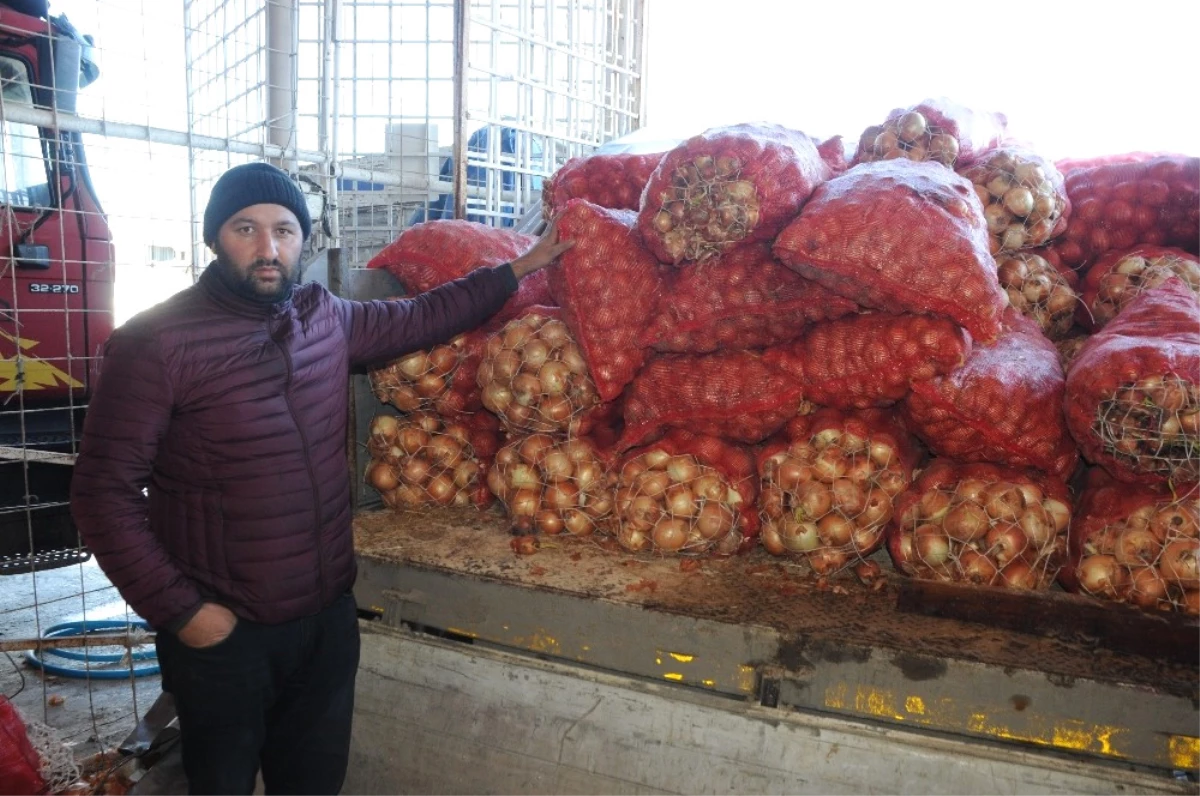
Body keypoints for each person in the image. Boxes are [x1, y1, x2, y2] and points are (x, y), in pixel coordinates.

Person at [69, 161, 573, 795]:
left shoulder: (325, 317)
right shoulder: (156, 344)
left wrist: (517, 269)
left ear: (304, 240)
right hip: (226, 634)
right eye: (245, 229)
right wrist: (185, 613)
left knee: (312, 783)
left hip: (325, 620)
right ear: (212, 238)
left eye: (284, 230)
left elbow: (422, 316)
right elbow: (101, 496)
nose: (267, 248)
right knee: (220, 784)